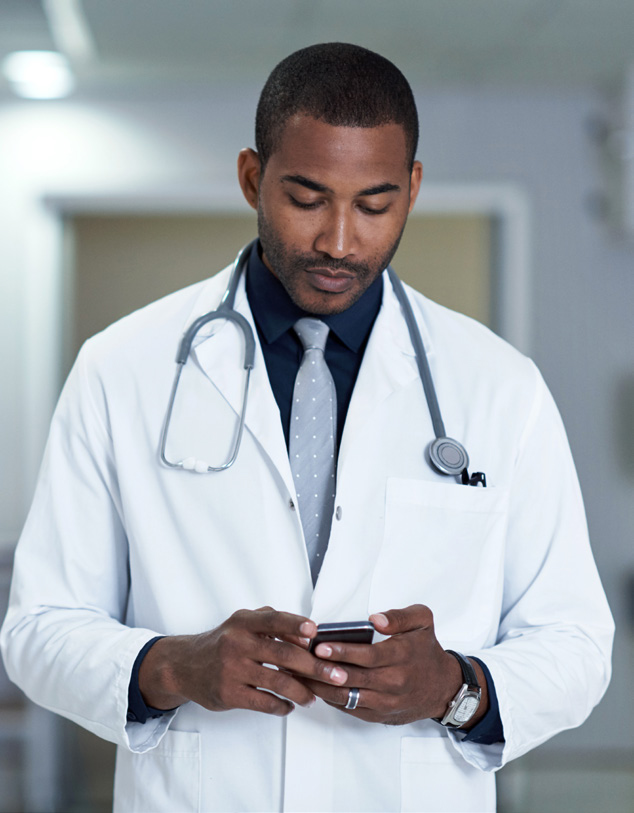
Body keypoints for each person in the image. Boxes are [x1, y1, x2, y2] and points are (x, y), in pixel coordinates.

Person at [1, 43, 613, 813]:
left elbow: (578, 645)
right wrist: (172, 665)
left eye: (375, 203)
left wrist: (453, 687)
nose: (338, 240)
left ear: (413, 189)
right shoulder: (122, 367)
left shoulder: (499, 386)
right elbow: (38, 629)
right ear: (253, 177)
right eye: (307, 197)